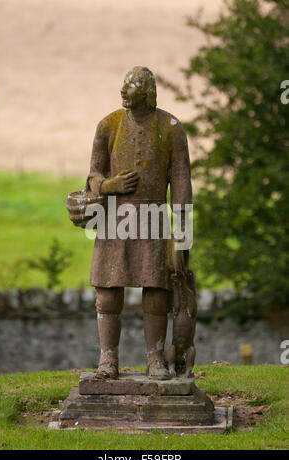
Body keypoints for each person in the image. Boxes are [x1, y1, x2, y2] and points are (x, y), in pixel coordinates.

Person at [86, 66, 192, 380]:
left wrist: (182, 232)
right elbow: (92, 177)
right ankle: (108, 360)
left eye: (130, 87)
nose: (123, 92)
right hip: (116, 219)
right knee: (107, 292)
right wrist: (109, 186)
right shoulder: (108, 125)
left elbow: (182, 183)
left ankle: (156, 358)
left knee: (158, 290)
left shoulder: (171, 127)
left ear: (147, 92)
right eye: (123, 86)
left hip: (155, 219)